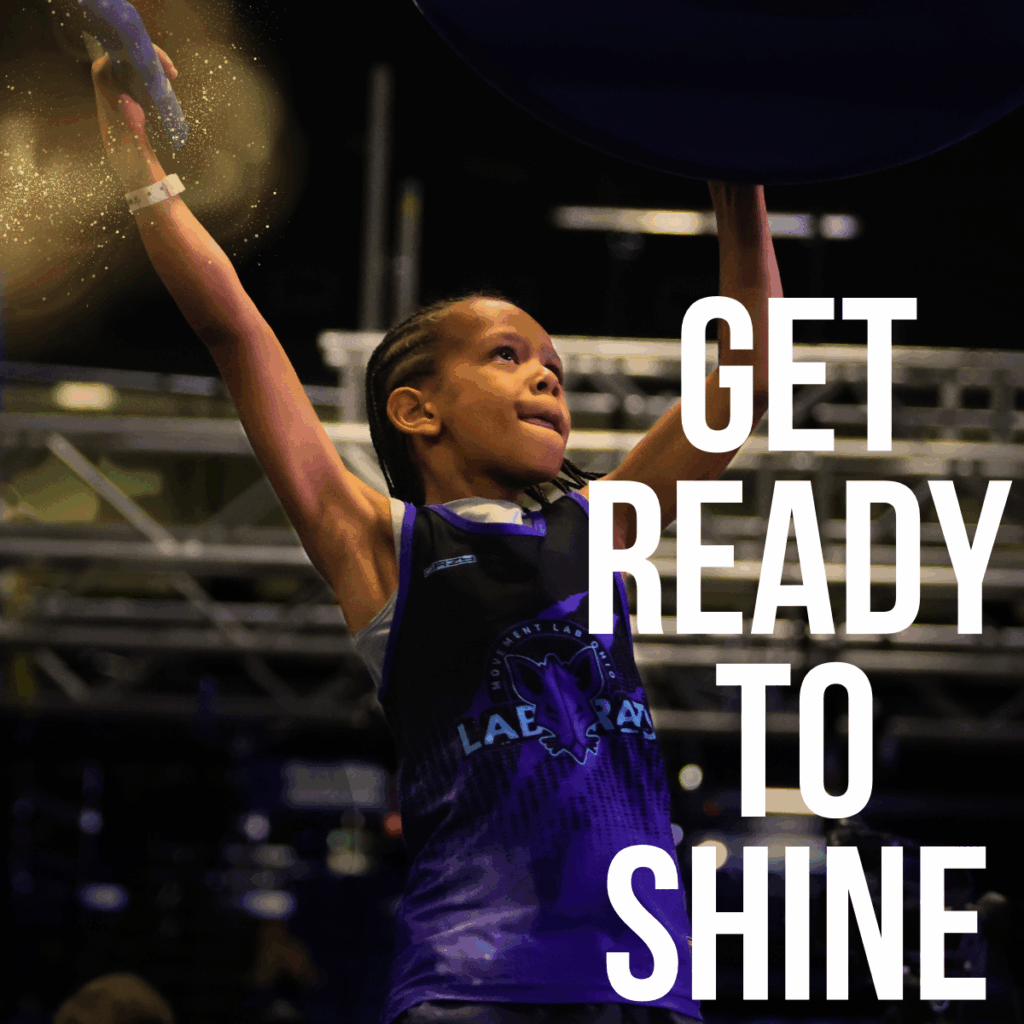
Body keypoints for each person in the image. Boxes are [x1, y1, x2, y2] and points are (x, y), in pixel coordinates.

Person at [90, 42, 780, 1024]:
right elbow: (237, 333)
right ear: (418, 411)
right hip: (473, 988)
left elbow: (747, 375)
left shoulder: (601, 525)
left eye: (553, 368)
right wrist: (139, 172)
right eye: (508, 356)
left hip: (644, 991)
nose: (547, 376)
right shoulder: (379, 542)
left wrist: (741, 172)